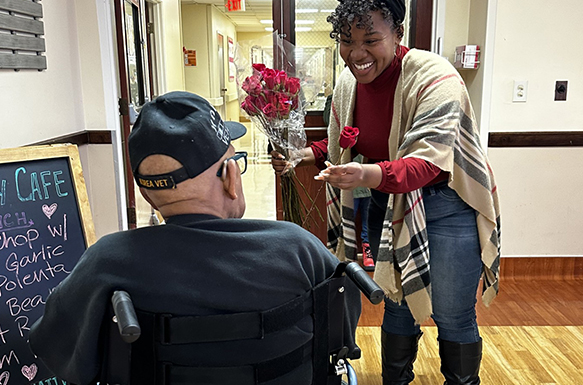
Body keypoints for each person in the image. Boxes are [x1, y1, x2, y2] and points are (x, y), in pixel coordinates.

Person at [29, 91, 361, 385]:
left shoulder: (106, 261)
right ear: (231, 176)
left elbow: (58, 349)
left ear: (147, 195)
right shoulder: (299, 248)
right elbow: (341, 333)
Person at [271, 0, 501, 384]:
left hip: (444, 206)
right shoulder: (348, 84)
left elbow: (428, 161)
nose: (357, 54)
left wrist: (366, 175)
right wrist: (304, 156)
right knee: (396, 301)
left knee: (451, 312)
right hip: (386, 202)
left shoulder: (435, 77)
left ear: (398, 31)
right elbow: (348, 140)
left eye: (370, 40)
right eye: (347, 41)